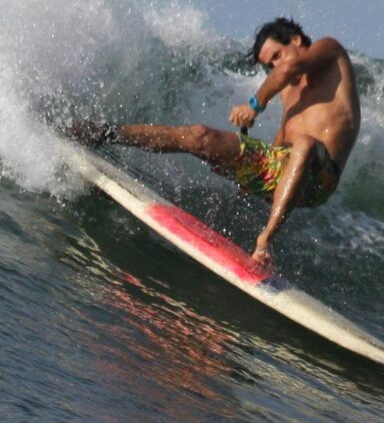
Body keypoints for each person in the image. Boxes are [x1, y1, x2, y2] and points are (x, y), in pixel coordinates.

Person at [77, 18, 359, 276]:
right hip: (285, 165)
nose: (275, 67)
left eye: (277, 56)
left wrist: (255, 105)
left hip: (321, 175)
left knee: (306, 144)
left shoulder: (330, 51)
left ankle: (265, 240)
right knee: (199, 136)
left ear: (296, 40)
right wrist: (249, 175)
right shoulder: (289, 90)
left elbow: (290, 70)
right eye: (268, 65)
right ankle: (104, 133)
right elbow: (281, 142)